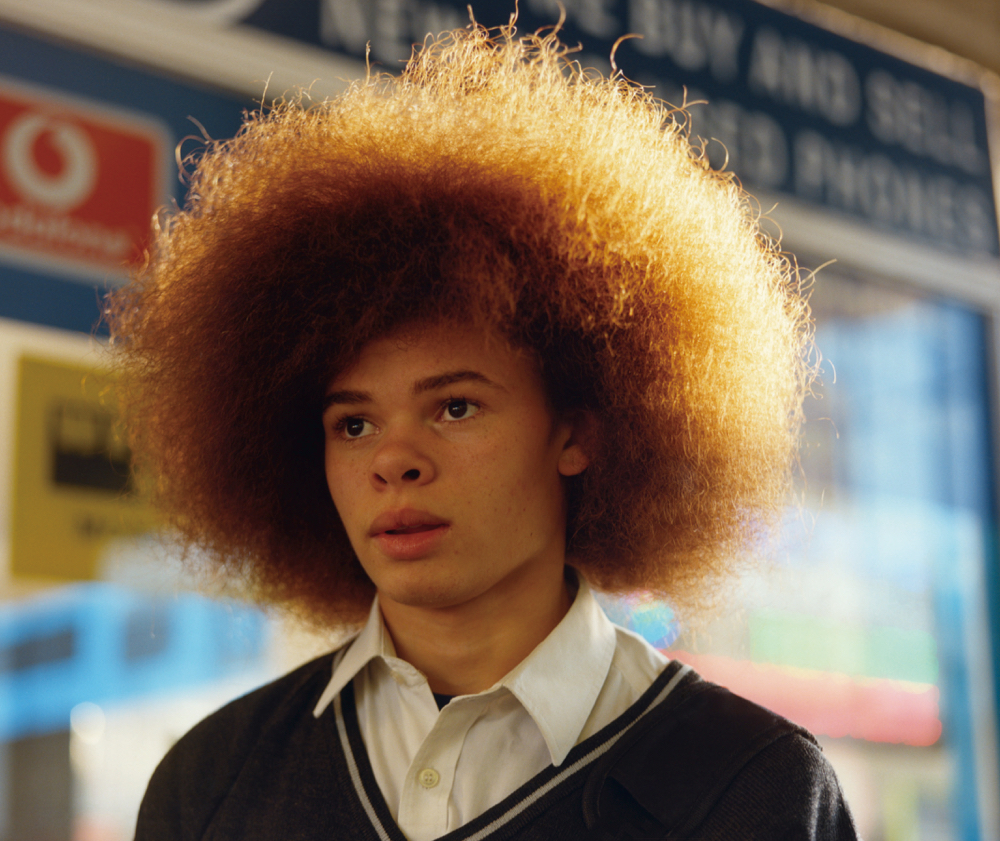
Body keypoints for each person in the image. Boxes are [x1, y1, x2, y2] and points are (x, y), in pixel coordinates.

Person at [110, 22, 857, 841]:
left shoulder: (752, 786)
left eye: (455, 406)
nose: (394, 459)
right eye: (353, 422)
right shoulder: (212, 781)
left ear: (578, 432)